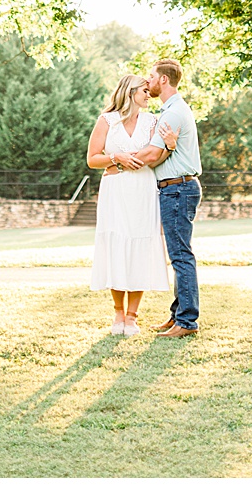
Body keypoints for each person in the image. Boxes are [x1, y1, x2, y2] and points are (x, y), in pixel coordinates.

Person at [86, 72, 178, 333]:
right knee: (116, 244)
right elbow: (92, 159)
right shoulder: (107, 121)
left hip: (142, 189)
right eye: (144, 91)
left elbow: (155, 158)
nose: (149, 95)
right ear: (130, 93)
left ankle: (132, 316)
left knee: (139, 244)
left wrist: (169, 148)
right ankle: (117, 314)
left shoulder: (152, 122)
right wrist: (117, 158)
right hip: (115, 190)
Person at [145, 57, 202, 336]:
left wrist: (118, 160)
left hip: (177, 188)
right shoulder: (171, 110)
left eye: (151, 76)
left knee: (181, 256)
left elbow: (153, 157)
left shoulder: (173, 113)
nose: (148, 81)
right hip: (176, 188)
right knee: (179, 255)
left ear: (163, 80)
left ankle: (187, 321)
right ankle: (177, 315)